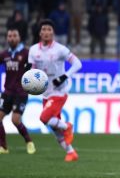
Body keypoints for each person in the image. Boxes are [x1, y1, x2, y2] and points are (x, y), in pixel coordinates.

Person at [28, 19, 82, 162]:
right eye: (44, 29)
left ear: (53, 33)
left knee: (44, 118)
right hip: (46, 92)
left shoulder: (60, 49)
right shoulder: (33, 50)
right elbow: (30, 70)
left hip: (60, 91)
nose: (46, 32)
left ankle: (67, 126)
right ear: (40, 33)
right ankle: (71, 153)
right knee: (53, 127)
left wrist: (65, 76)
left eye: (49, 30)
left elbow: (77, 64)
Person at [0, 28, 35, 154]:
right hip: (7, 92)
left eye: (14, 35)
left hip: (21, 93)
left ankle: (29, 141)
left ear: (19, 37)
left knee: (15, 120)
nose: (12, 38)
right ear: (7, 38)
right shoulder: (4, 54)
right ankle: (3, 147)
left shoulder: (26, 53)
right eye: (9, 36)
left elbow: (34, 67)